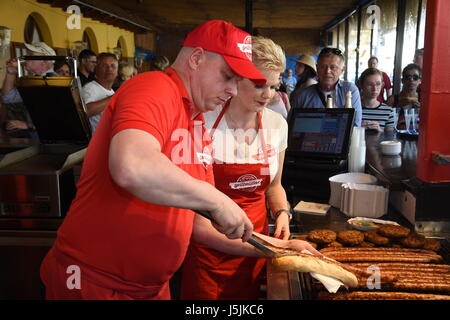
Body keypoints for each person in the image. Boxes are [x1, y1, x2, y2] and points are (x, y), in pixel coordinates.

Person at [39, 19, 267, 300]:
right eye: (228, 76)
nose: (233, 90)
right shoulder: (154, 86)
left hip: (151, 289)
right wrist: (217, 199)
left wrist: (274, 248)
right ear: (196, 58)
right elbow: (132, 165)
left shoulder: (196, 123)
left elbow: (197, 222)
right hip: (93, 283)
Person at [181, 36, 319, 300]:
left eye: (273, 86)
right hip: (210, 249)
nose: (267, 95)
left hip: (257, 246)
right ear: (235, 78)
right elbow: (195, 217)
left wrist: (281, 213)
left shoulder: (277, 125)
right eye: (258, 85)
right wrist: (277, 247)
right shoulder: (203, 123)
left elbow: (275, 186)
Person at [291, 47, 362, 126]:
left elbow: (355, 125)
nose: (327, 71)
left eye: (333, 67)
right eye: (323, 67)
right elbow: (292, 126)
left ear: (342, 69)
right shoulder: (302, 95)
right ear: (317, 68)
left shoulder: (350, 90)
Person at [1, 41, 57, 138]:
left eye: (30, 55)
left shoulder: (55, 82)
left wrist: (27, 125)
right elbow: (7, 98)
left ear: (44, 61)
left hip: (53, 140)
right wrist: (11, 74)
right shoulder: (33, 81)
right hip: (37, 138)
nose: (25, 58)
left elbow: (58, 119)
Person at [82, 53, 118, 132]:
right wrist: (113, 98)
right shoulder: (90, 88)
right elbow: (85, 111)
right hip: (95, 141)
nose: (109, 69)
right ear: (96, 69)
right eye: (104, 66)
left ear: (117, 71)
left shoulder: (112, 91)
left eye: (113, 66)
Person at [358, 68, 395, 132]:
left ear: (382, 85)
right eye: (370, 84)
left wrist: (379, 130)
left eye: (378, 84)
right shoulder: (354, 109)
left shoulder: (388, 111)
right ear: (362, 85)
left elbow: (390, 138)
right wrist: (357, 129)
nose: (374, 88)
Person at [386, 64, 421, 130]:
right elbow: (384, 122)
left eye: (415, 77)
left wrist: (422, 111)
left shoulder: (424, 100)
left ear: (420, 80)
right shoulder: (393, 100)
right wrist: (398, 107)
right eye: (408, 77)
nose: (411, 80)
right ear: (402, 80)